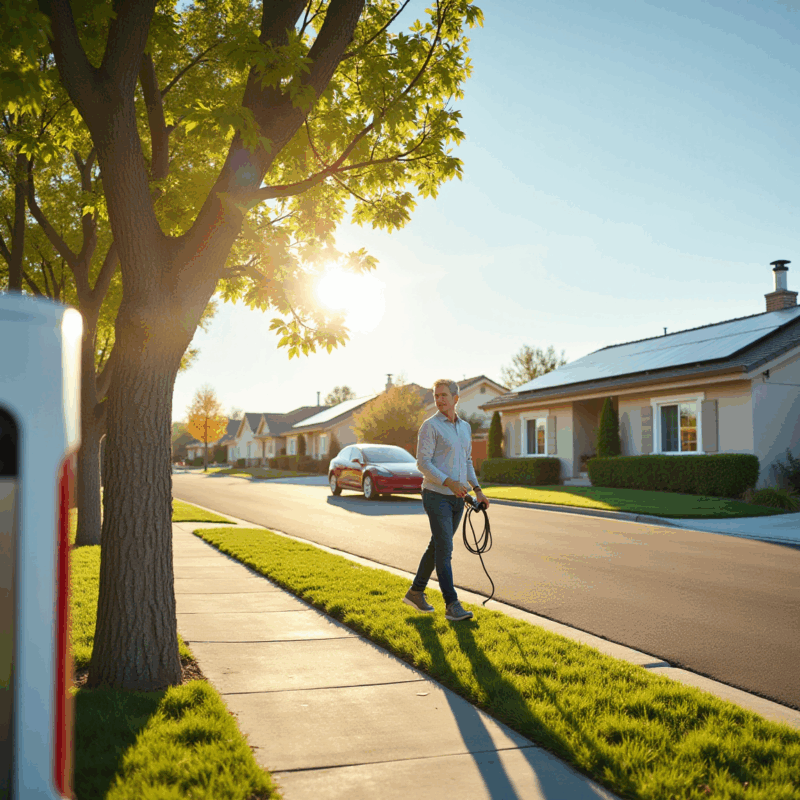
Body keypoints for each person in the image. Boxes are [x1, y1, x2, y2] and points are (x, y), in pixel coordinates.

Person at [403, 379, 490, 622]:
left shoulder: (465, 427)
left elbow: (467, 461)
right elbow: (423, 463)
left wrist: (478, 490)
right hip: (435, 496)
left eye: (443, 395)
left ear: (455, 398)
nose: (439, 399)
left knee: (437, 547)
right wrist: (448, 482)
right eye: (436, 395)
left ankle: (416, 592)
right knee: (445, 550)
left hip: (457, 500)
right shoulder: (430, 427)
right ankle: (452, 604)